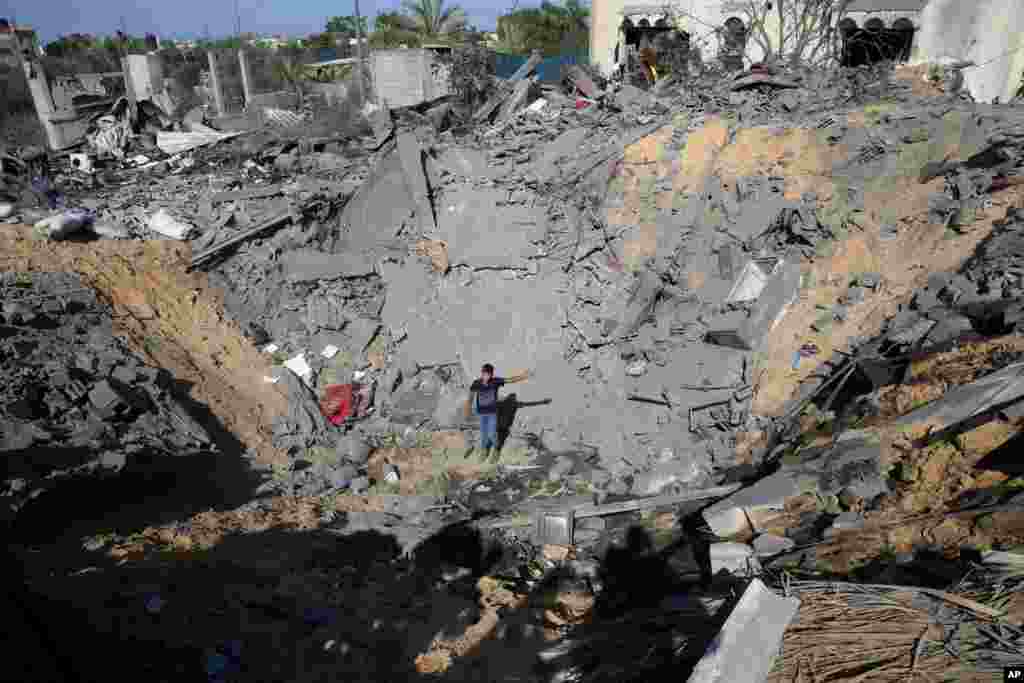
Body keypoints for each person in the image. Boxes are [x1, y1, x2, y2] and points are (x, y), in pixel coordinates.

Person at [467, 363, 530, 461]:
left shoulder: (495, 381)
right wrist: (468, 410)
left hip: (493, 415)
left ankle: (494, 453)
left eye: (488, 374)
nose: (486, 377)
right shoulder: (476, 383)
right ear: (482, 374)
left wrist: (523, 377)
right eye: (484, 374)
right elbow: (470, 398)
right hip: (484, 414)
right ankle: (485, 452)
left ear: (491, 375)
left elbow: (510, 380)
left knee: (495, 435)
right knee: (488, 435)